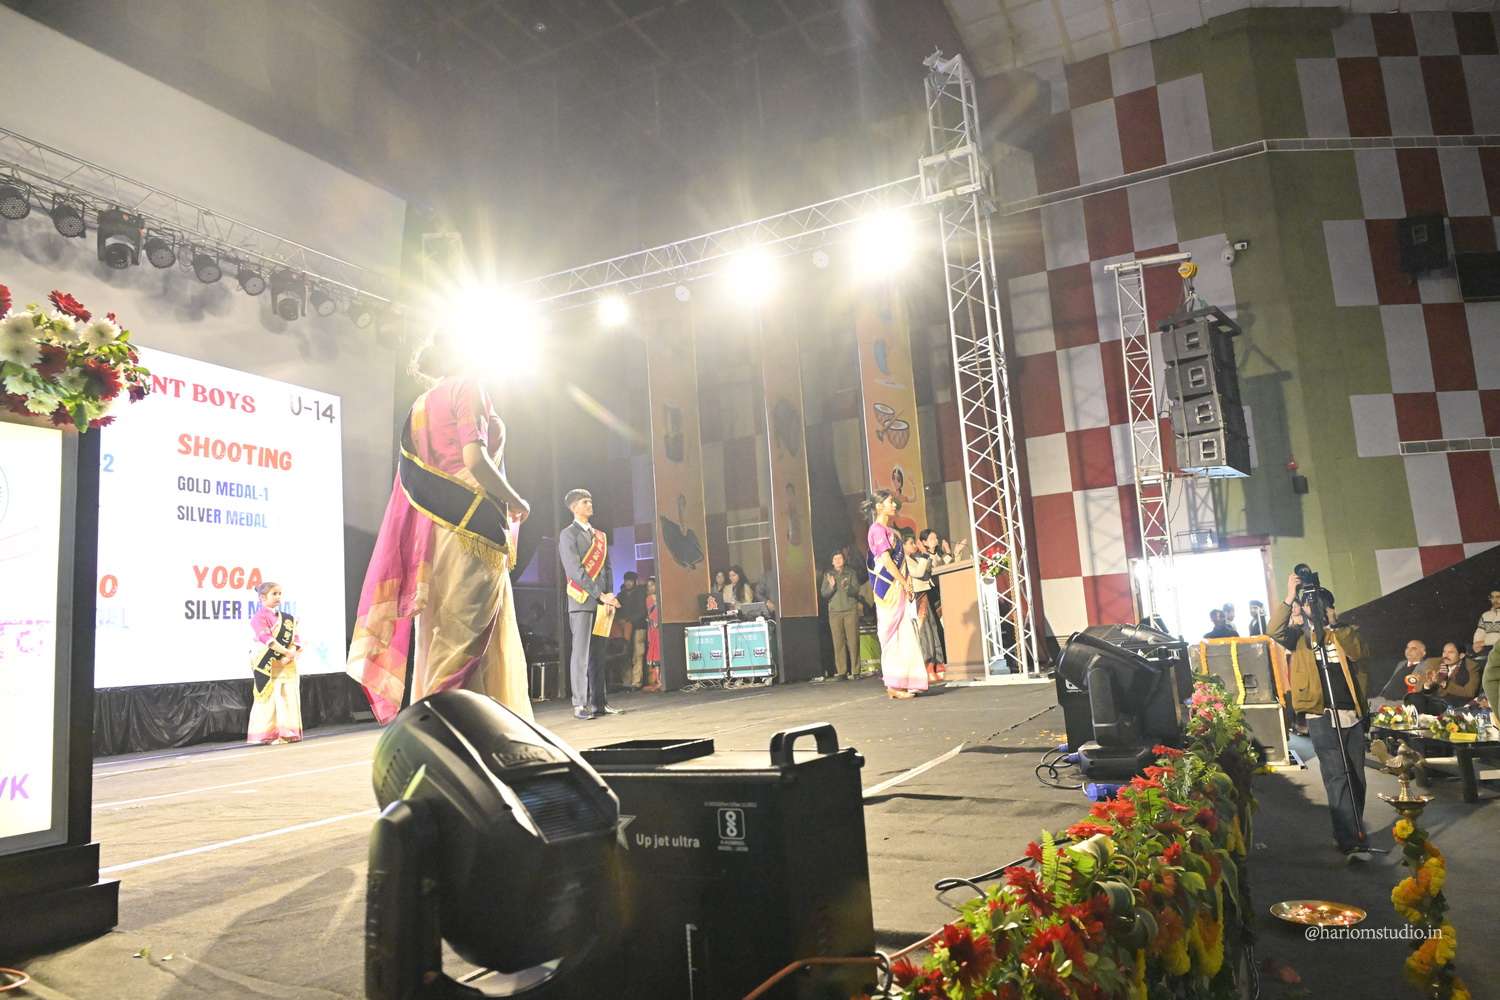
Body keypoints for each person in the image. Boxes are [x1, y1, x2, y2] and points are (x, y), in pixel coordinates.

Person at [348, 338, 533, 724]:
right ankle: (444, 729)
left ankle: (459, 727)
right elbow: (474, 459)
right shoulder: (468, 387)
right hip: (472, 530)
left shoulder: (420, 405)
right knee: (465, 638)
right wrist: (516, 500)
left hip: (434, 534)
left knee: (438, 635)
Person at [1268, 573, 1371, 861]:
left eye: (1318, 604)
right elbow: (1274, 630)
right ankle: (1350, 840)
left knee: (1357, 777)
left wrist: (1334, 624)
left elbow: (1359, 653)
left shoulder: (1345, 633)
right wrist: (1290, 596)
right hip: (1320, 714)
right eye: (1308, 604)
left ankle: (1350, 829)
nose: (1312, 608)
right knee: (1337, 775)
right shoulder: (1300, 639)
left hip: (1352, 713)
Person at [559, 488, 623, 720]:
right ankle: (580, 704)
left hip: (602, 602)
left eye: (590, 501)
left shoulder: (600, 536)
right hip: (582, 600)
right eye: (585, 502)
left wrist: (610, 595)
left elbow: (607, 568)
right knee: (581, 654)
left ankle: (599, 703)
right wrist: (599, 595)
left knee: (599, 654)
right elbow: (575, 571)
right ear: (574, 507)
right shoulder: (568, 535)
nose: (590, 505)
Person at [864, 490, 928, 700]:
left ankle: (908, 681)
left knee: (905, 634)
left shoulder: (891, 531)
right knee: (891, 636)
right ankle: (893, 685)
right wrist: (903, 582)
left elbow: (901, 563)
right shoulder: (876, 530)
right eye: (890, 502)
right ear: (879, 506)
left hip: (899, 587)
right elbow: (887, 562)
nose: (894, 505)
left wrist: (906, 582)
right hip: (888, 590)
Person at [248, 581, 302, 745]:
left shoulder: (287, 618)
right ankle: (269, 734)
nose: (278, 597)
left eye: (279, 594)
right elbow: (267, 640)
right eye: (274, 594)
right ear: (262, 597)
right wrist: (286, 652)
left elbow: (296, 640)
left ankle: (287, 732)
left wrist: (290, 654)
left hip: (286, 663)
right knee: (271, 697)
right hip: (269, 663)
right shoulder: (259, 617)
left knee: (287, 696)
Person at [906, 531, 946, 684]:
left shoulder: (914, 558)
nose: (914, 546)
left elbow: (929, 570)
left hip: (925, 593)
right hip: (917, 596)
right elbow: (919, 572)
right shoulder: (905, 561)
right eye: (910, 543)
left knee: (933, 629)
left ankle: (938, 663)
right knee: (925, 632)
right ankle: (928, 666)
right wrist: (924, 554)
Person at [820, 550, 863, 681]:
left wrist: (847, 587)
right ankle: (842, 671)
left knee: (853, 641)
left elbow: (857, 590)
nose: (838, 561)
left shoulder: (851, 573)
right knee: (838, 642)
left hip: (850, 610)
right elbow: (824, 594)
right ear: (832, 562)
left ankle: (856, 671)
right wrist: (832, 586)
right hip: (835, 612)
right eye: (835, 559)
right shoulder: (828, 575)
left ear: (844, 560)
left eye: (840, 558)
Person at [1408, 641, 1481, 712]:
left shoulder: (1471, 666)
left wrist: (1443, 682)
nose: (1446, 655)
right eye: (1444, 652)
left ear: (1461, 655)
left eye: (1451, 652)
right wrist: (1428, 685)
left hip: (1458, 706)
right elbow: (1427, 691)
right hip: (1437, 704)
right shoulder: (1436, 663)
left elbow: (1470, 692)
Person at [617, 571, 648, 689]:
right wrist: (622, 621)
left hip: (639, 627)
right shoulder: (621, 595)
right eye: (626, 580)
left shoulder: (640, 593)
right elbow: (617, 611)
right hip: (624, 628)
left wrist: (629, 620)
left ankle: (636, 682)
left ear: (635, 581)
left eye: (630, 580)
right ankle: (627, 682)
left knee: (638, 654)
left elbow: (643, 611)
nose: (628, 583)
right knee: (624, 654)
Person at [643, 577, 663, 692]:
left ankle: (662, 680)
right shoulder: (649, 599)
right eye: (649, 586)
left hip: (661, 629)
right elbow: (651, 614)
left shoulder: (662, 597)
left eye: (652, 585)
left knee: (661, 653)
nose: (650, 587)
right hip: (654, 629)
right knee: (655, 654)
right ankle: (658, 681)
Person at [1472, 588, 1500, 658]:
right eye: (1492, 597)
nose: (1495, 600)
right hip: (1487, 650)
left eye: (1498, 597)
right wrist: (1476, 644)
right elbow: (1479, 633)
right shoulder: (1485, 615)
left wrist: (1484, 642)